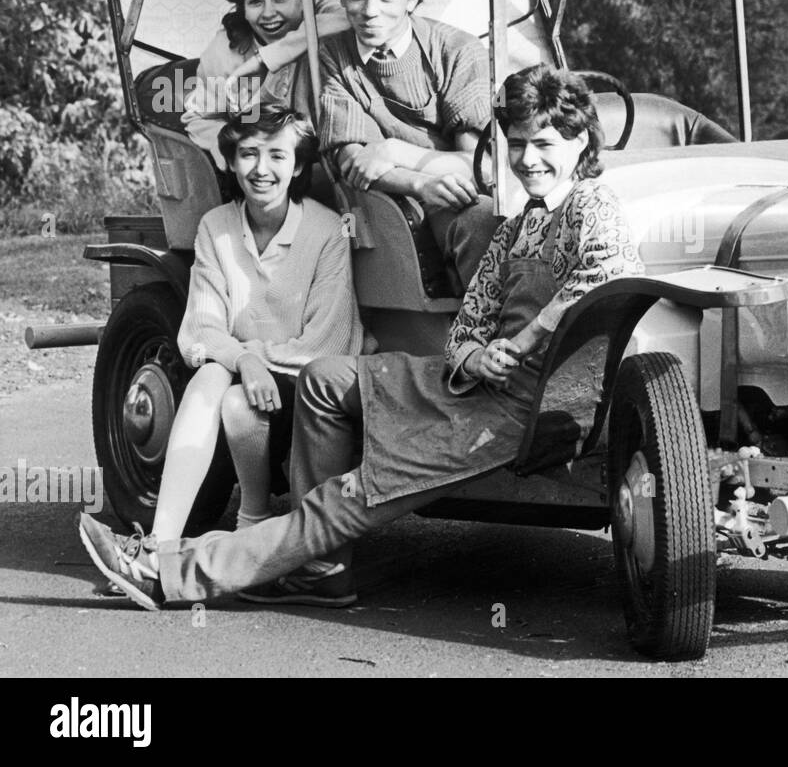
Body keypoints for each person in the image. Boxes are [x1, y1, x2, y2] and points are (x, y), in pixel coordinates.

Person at [78, 65, 643, 610]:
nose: (527, 159)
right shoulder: (520, 225)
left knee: (343, 500)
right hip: (478, 386)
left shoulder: (596, 208)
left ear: (579, 141)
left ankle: (167, 573)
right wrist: (473, 356)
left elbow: (605, 278)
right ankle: (320, 568)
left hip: (528, 409)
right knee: (325, 379)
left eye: (543, 143)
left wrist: (517, 346)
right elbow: (467, 328)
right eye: (517, 144)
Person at [103, 107, 363, 588]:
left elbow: (327, 342)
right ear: (231, 162)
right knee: (223, 386)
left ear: (298, 166)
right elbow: (200, 329)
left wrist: (250, 359)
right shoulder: (215, 227)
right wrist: (244, 360)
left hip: (309, 385)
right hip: (245, 377)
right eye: (248, 154)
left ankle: (248, 521)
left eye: (276, 155)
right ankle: (162, 547)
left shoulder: (328, 230)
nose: (261, 169)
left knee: (235, 393)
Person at [315, 0, 498, 290]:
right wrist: (419, 185)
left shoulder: (457, 50)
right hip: (388, 203)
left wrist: (394, 150)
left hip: (458, 198)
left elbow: (478, 168)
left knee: (480, 216)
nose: (369, 12)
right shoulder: (332, 56)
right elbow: (354, 161)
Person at [181, 0, 349, 170]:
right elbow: (198, 117)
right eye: (255, 2)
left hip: (332, 160)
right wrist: (231, 143)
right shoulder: (224, 50)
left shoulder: (325, 14)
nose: (268, 13)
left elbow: (353, 19)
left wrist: (273, 55)